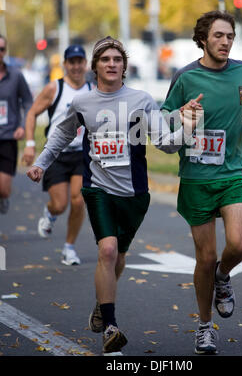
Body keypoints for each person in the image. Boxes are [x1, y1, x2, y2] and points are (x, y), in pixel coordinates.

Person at [26, 36, 203, 355]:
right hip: (98, 188)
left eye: (117, 59)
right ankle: (110, 327)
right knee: (106, 251)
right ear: (95, 67)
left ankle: (101, 302)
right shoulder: (83, 103)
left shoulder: (141, 99)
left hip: (134, 193)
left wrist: (188, 127)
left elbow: (165, 142)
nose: (111, 64)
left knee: (118, 256)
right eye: (105, 59)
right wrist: (40, 163)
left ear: (124, 66)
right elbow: (60, 137)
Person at [161, 11, 242, 355]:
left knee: (240, 243)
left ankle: (224, 276)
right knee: (204, 258)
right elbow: (164, 117)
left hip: (232, 173)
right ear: (203, 38)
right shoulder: (186, 77)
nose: (225, 42)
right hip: (196, 179)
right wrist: (182, 116)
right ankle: (205, 327)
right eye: (218, 36)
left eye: (230, 36)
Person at [22, 45, 91, 266]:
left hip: (82, 153)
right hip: (56, 154)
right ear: (65, 65)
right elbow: (32, 113)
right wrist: (30, 144)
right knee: (60, 204)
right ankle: (50, 212)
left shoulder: (93, 89)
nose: (77, 66)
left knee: (79, 201)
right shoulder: (55, 88)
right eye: (72, 62)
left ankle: (69, 248)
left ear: (86, 64)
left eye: (80, 61)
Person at [0, 34, 33, 214]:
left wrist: (22, 125)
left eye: (2, 49)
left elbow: (28, 102)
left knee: (4, 189)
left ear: (5, 51)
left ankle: (3, 198)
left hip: (8, 137)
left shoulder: (15, 75)